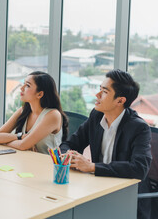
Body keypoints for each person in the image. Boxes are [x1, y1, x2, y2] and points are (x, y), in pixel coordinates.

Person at [60, 69, 152, 219]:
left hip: (127, 198)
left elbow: (139, 168)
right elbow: (70, 143)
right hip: (99, 188)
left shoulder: (139, 128)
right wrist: (69, 155)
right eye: (99, 89)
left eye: (104, 91)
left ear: (120, 101)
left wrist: (92, 167)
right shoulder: (96, 116)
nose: (97, 95)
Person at [0, 71, 68, 154]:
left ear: (39, 94)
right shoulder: (23, 110)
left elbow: (22, 145)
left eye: (27, 85)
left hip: (46, 165)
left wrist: (5, 142)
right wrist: (20, 137)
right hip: (25, 161)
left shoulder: (53, 115)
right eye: (23, 84)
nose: (22, 88)